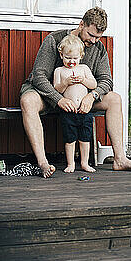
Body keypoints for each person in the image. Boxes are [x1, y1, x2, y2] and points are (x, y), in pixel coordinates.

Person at [20, 6, 131, 178]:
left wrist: (92, 96)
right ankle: (43, 163)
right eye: (91, 35)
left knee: (115, 99)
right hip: (51, 95)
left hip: (81, 98)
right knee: (28, 100)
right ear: (81, 25)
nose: (94, 41)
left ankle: (120, 159)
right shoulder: (54, 40)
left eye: (98, 37)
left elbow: (106, 81)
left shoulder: (99, 49)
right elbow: (39, 77)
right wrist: (58, 99)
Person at [53, 35, 97, 173]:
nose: (71, 62)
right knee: (70, 138)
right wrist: (65, 82)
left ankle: (84, 163)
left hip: (84, 110)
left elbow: (94, 84)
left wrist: (83, 80)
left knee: (85, 138)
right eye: (68, 58)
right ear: (61, 55)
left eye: (75, 58)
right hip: (69, 111)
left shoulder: (83, 69)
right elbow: (56, 90)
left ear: (81, 56)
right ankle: (70, 163)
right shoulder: (59, 71)